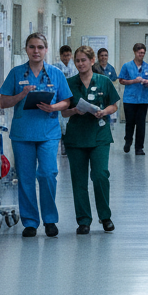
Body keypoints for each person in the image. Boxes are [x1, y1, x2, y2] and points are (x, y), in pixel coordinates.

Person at [0, 32, 70, 237]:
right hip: (23, 133)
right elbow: (3, 102)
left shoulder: (55, 74)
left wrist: (53, 107)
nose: (36, 51)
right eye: (32, 47)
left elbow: (66, 101)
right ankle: (30, 222)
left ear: (46, 50)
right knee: (26, 178)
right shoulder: (16, 73)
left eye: (40, 47)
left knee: (47, 174)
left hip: (48, 132)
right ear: (26, 49)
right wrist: (21, 95)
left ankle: (50, 219)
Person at [62, 46, 120, 234]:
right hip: (76, 137)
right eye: (77, 61)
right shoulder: (69, 83)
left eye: (83, 60)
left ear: (92, 60)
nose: (80, 64)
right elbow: (64, 112)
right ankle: (84, 220)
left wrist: (104, 111)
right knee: (79, 180)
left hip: (99, 135)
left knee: (100, 175)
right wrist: (74, 111)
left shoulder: (103, 81)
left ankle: (105, 217)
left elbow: (114, 106)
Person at [117, 42, 148, 154]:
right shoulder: (127, 66)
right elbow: (121, 80)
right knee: (130, 122)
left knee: (141, 124)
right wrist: (134, 81)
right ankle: (128, 141)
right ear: (135, 52)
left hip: (143, 99)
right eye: (139, 52)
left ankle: (139, 147)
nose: (141, 55)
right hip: (130, 99)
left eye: (143, 53)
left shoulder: (147, 67)